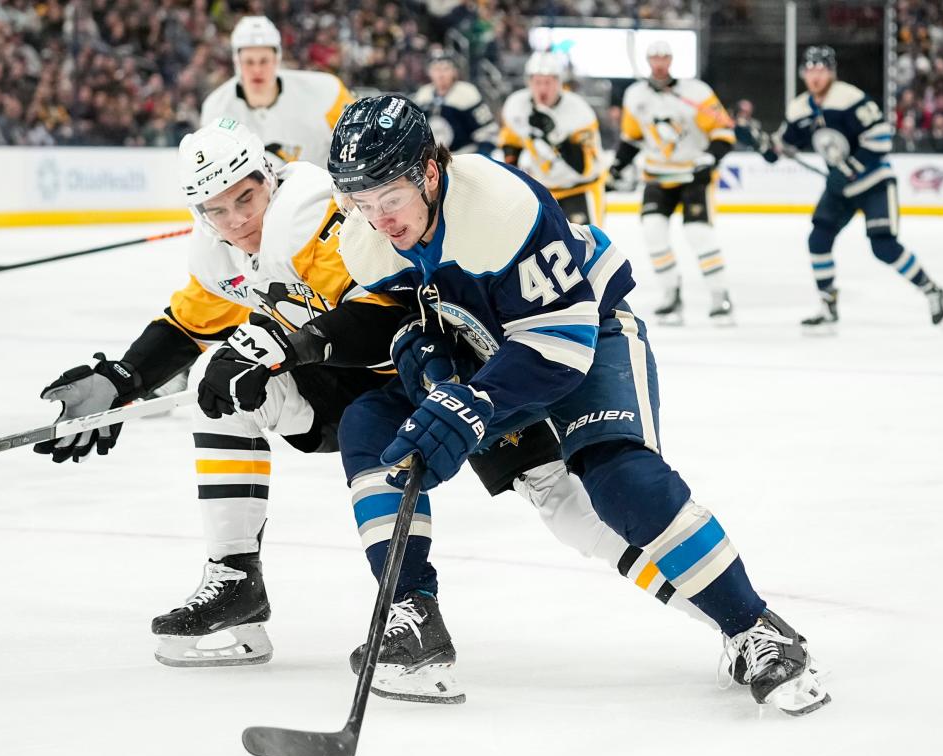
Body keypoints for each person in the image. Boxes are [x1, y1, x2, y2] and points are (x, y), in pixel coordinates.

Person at [33, 119, 647, 680]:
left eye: (246, 198)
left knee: (567, 507)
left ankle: (722, 607)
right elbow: (189, 323)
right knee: (215, 394)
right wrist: (120, 378)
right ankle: (239, 580)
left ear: (269, 175)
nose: (238, 221)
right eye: (217, 211)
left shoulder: (317, 219)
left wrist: (279, 339)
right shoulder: (223, 253)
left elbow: (386, 313)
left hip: (434, 379)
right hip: (352, 399)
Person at [328, 94, 831, 716]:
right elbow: (413, 310)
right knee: (370, 423)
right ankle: (412, 613)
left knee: (618, 478)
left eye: (390, 199)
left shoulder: (500, 206)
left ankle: (755, 627)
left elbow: (561, 344)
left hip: (585, 329)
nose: (378, 219)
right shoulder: (366, 239)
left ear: (430, 173)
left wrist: (472, 405)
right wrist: (421, 354)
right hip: (491, 347)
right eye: (361, 203)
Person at [737, 46, 943, 329]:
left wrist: (848, 169)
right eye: (810, 70)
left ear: (831, 73)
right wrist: (757, 141)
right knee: (818, 240)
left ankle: (932, 291)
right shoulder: (799, 107)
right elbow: (781, 148)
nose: (815, 76)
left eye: (821, 70)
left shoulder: (850, 99)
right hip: (842, 187)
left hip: (874, 181)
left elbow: (881, 139)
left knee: (883, 246)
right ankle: (828, 305)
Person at [611, 41, 737, 325]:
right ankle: (671, 294)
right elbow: (631, 138)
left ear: (671, 59)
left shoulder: (696, 92)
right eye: (654, 57)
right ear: (647, 60)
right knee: (653, 232)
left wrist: (711, 157)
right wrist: (618, 165)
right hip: (657, 174)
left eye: (664, 57)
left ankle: (720, 296)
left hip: (692, 174)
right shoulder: (635, 95)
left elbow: (724, 130)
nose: (659, 63)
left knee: (698, 233)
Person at [199, 16, 354, 166]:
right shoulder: (216, 109)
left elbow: (362, 135)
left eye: (264, 61)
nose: (257, 69)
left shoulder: (326, 91)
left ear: (276, 59)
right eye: (249, 61)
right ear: (237, 62)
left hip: (324, 190)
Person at [499, 51, 607, 225]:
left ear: (559, 83)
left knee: (586, 250)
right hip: (541, 193)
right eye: (537, 82)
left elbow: (585, 167)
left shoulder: (579, 111)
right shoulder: (517, 105)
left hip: (580, 190)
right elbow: (511, 141)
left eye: (548, 82)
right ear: (529, 82)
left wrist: (555, 136)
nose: (543, 88)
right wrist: (512, 176)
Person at [412, 50, 497, 156]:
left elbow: (487, 130)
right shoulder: (423, 95)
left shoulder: (467, 92)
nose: (441, 74)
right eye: (436, 69)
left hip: (464, 155)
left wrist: (482, 155)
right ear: (429, 72)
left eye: (446, 69)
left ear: (454, 71)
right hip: (432, 158)